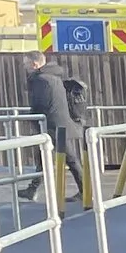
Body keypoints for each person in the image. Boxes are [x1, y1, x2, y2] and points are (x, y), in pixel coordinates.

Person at [20, 51, 90, 207]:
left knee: (70, 160)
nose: (25, 67)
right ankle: (32, 189)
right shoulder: (54, 77)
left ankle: (86, 191)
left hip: (52, 125)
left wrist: (32, 117)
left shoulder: (41, 80)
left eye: (26, 63)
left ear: (35, 64)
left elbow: (40, 104)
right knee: (44, 157)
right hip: (59, 123)